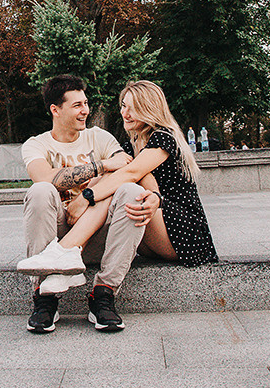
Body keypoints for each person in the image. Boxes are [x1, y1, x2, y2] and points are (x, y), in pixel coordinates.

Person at [22, 81, 218, 323]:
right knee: (50, 189)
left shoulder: (163, 138)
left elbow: (132, 174)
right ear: (55, 109)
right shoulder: (131, 144)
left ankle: (72, 259)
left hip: (181, 231)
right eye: (124, 106)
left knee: (126, 189)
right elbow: (121, 173)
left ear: (149, 109)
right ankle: (49, 287)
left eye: (133, 108)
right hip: (145, 227)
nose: (125, 113)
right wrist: (99, 176)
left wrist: (85, 197)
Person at [17, 75, 156, 334]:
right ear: (55, 110)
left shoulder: (99, 137)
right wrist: (100, 166)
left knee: (130, 190)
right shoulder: (37, 145)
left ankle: (103, 295)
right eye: (77, 105)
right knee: (40, 191)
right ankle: (44, 298)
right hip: (57, 236)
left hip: (99, 234)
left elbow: (128, 169)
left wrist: (153, 194)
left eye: (86, 103)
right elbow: (44, 178)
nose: (85, 111)